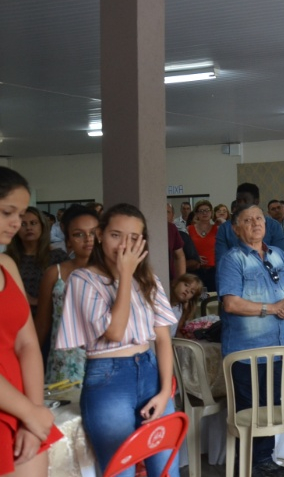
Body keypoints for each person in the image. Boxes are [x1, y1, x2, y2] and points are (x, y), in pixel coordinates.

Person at [55, 203, 179, 477]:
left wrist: (163, 391)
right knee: (120, 470)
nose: (124, 245)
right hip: (109, 380)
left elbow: (162, 337)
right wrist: (124, 276)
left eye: (133, 238)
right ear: (99, 234)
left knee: (166, 468)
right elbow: (114, 331)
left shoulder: (148, 279)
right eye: (115, 235)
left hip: (150, 372)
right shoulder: (83, 279)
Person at [218, 203, 284, 477]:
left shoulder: (278, 254)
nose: (256, 223)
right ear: (236, 228)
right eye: (248, 220)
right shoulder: (232, 259)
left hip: (277, 348)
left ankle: (264, 460)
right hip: (245, 351)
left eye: (259, 219)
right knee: (250, 409)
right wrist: (273, 308)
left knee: (270, 405)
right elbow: (230, 303)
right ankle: (249, 464)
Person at [0, 167, 61, 477]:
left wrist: (33, 412)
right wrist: (29, 412)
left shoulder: (7, 264)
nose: (17, 223)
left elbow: (26, 342)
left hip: (21, 399)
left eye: (22, 213)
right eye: (8, 212)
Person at [36, 205, 96, 384]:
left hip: (104, 362)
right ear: (68, 241)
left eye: (93, 232)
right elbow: (42, 325)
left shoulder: (114, 274)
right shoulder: (55, 273)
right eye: (78, 234)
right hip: (64, 364)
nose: (88, 239)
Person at [215, 183, 284, 276]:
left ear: (256, 201)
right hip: (235, 279)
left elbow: (280, 259)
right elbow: (222, 263)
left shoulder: (273, 226)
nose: (241, 204)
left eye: (245, 201)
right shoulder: (225, 228)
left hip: (269, 279)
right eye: (238, 201)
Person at [6, 207, 68, 309]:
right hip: (15, 312)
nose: (29, 228)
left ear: (42, 226)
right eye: (23, 224)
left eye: (33, 223)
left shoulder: (58, 256)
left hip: (53, 314)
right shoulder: (8, 258)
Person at [187, 199, 218, 291]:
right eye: (201, 211)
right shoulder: (189, 229)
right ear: (196, 214)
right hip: (195, 269)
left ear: (211, 212)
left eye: (207, 210)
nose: (205, 213)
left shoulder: (218, 229)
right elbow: (186, 250)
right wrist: (196, 258)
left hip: (213, 270)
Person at [169, 273, 203, 337]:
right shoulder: (161, 302)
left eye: (192, 292)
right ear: (175, 283)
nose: (187, 290)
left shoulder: (180, 310)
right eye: (186, 285)